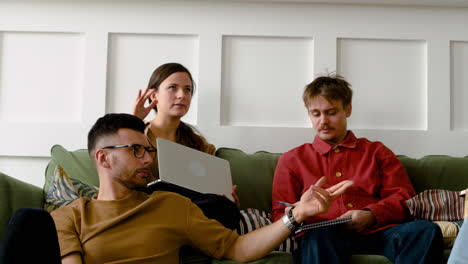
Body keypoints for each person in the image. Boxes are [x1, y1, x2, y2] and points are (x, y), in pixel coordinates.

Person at [44, 113, 353, 263]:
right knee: (26, 223)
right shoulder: (68, 217)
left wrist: (296, 213)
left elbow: (236, 248)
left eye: (148, 150)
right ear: (103, 158)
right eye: (135, 150)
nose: (147, 158)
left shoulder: (171, 205)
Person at [271, 74, 443, 264]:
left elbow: (404, 197)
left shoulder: (377, 151)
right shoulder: (292, 159)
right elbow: (280, 214)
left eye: (331, 112)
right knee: (319, 238)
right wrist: (302, 210)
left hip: (378, 233)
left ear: (348, 110)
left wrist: (371, 214)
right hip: (321, 237)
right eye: (316, 113)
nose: (323, 121)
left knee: (425, 230)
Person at [132, 62, 240, 206]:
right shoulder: (137, 134)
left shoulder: (199, 144)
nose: (182, 95)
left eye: (187, 90)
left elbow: (212, 191)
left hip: (192, 210)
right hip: (150, 207)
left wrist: (229, 201)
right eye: (172, 88)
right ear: (153, 95)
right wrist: (133, 122)